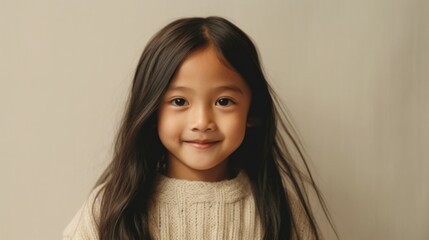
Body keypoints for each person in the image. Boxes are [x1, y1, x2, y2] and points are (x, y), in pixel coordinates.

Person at [63, 16, 337, 240]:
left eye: (223, 101)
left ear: (252, 111)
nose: (202, 122)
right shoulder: (113, 206)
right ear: (152, 111)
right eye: (179, 101)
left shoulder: (278, 209)